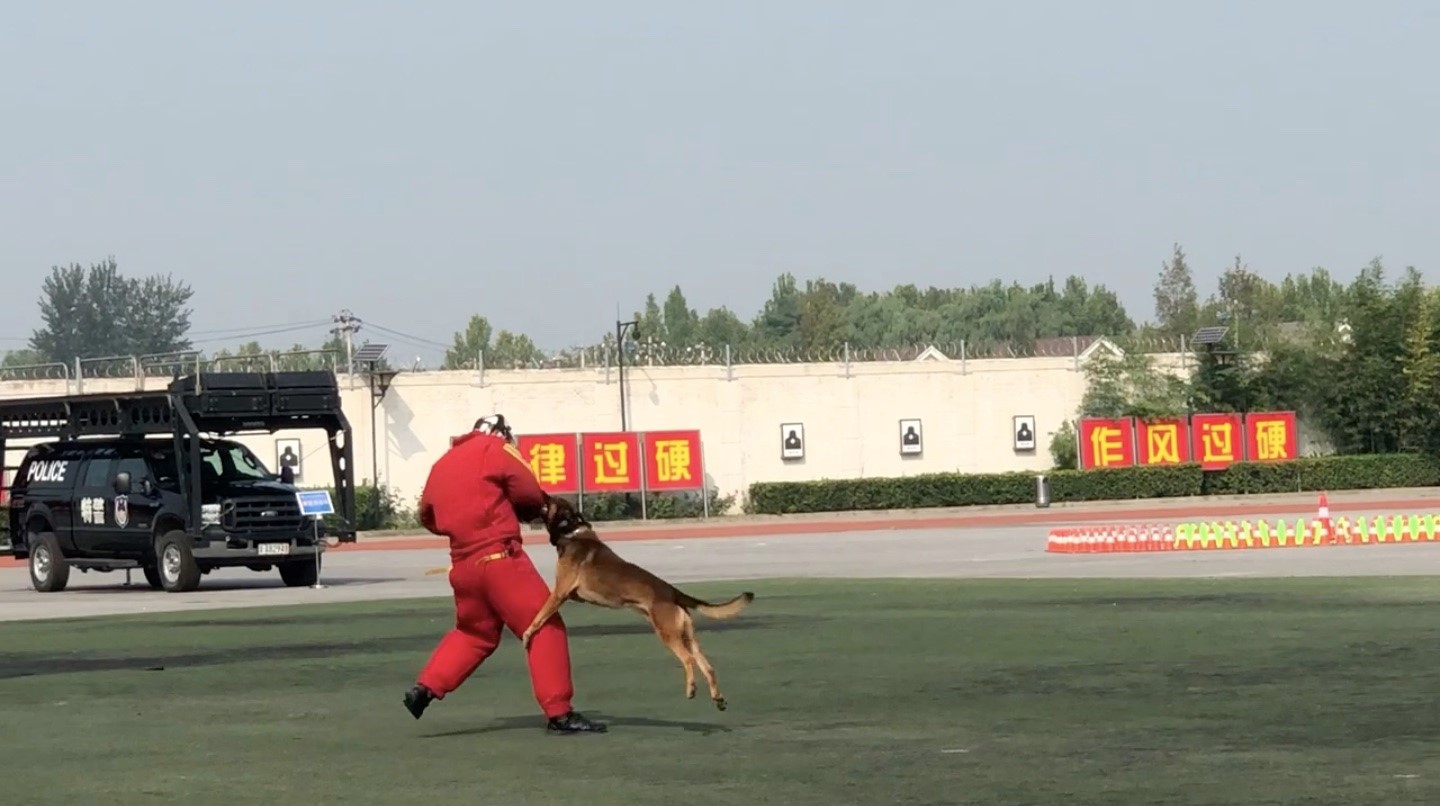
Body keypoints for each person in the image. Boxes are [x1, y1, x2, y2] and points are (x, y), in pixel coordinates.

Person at [402, 414, 606, 734]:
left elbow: (428, 515)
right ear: (499, 432)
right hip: (500, 558)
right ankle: (559, 712)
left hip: (463, 565)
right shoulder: (496, 448)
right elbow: (528, 492)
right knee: (544, 626)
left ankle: (425, 687)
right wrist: (525, 511)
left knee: (474, 633)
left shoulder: (441, 464)